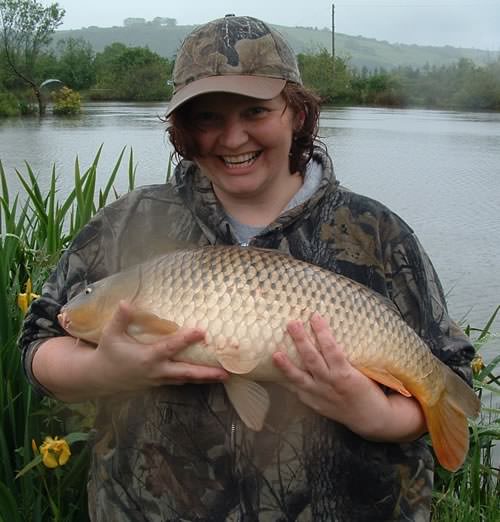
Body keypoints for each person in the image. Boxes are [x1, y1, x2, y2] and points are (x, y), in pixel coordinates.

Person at [20, 14, 475, 522]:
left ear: (296, 114)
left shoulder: (378, 234)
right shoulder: (128, 223)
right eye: (207, 118)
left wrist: (375, 414)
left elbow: (448, 373)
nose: (233, 138)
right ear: (181, 128)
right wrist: (104, 371)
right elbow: (39, 343)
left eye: (256, 111)